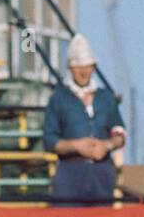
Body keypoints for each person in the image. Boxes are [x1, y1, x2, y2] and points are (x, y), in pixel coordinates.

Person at [42, 33, 126, 207]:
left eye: (87, 66)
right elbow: (49, 140)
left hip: (101, 173)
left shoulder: (106, 98)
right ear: (71, 69)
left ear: (93, 67)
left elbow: (120, 134)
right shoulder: (59, 99)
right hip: (70, 173)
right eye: (78, 66)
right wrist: (76, 146)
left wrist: (106, 145)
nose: (83, 71)